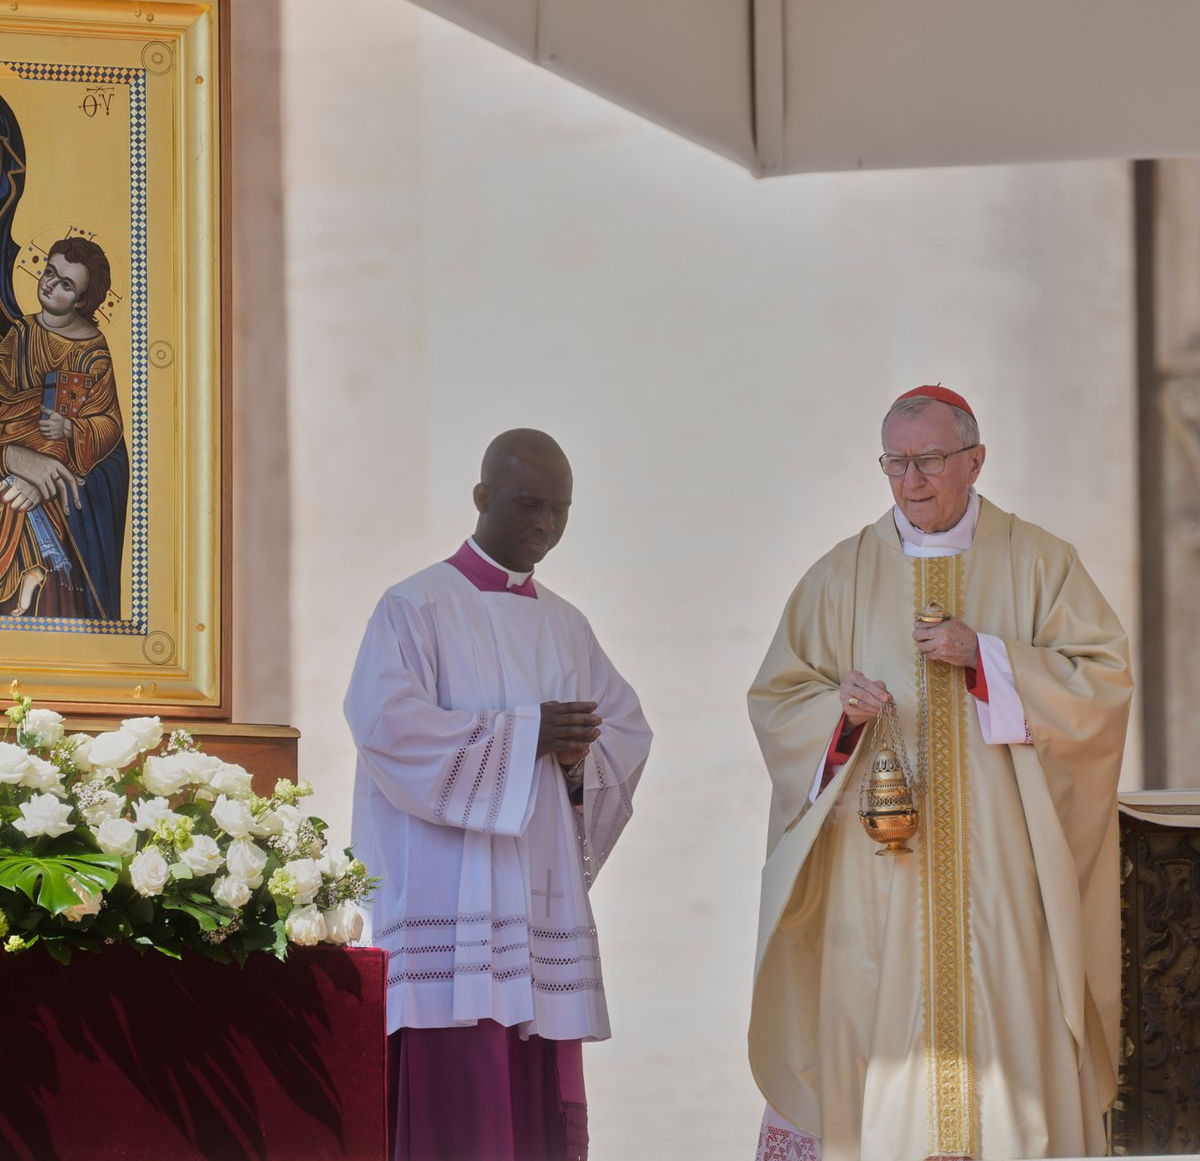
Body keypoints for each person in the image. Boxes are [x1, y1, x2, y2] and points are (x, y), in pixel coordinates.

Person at [747, 386, 1132, 1161]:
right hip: (877, 880)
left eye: (926, 461)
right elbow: (778, 699)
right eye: (894, 462)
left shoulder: (1040, 563)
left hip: (1003, 878)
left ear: (975, 461)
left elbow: (1102, 683)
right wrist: (841, 712)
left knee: (1008, 1071)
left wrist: (987, 657)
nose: (909, 481)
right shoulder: (840, 575)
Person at [344, 428, 652, 1161]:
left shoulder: (567, 625)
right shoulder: (413, 607)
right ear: (483, 497)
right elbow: (389, 730)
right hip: (447, 904)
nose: (545, 525)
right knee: (461, 1111)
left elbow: (625, 733)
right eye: (527, 504)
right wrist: (525, 736)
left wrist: (576, 759)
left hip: (534, 899)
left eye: (560, 510)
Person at [0, 235, 128, 618]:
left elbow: (108, 424)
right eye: (50, 273)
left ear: (82, 300)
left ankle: (33, 570)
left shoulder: (93, 350)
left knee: (24, 490)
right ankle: (28, 571)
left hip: (62, 450)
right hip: (16, 435)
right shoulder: (20, 333)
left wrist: (72, 432)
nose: (50, 285)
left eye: (66, 284)